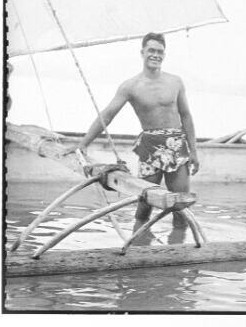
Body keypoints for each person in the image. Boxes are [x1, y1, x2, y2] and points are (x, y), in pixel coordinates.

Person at [74, 32, 199, 231]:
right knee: (144, 203)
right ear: (142, 52)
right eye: (151, 50)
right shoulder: (130, 86)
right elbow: (107, 116)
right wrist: (84, 143)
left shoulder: (175, 82)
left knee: (180, 205)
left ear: (164, 55)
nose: (155, 55)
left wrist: (194, 151)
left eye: (160, 51)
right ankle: (140, 241)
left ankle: (178, 248)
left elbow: (186, 116)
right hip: (150, 148)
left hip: (177, 147)